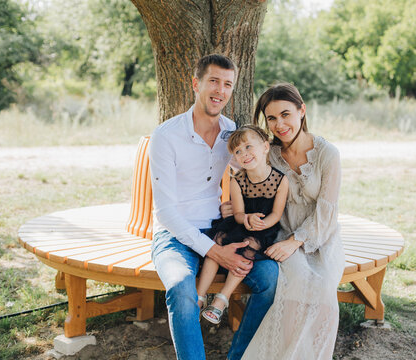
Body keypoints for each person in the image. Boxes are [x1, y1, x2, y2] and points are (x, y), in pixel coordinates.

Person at [148, 54, 278, 360]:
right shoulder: (166, 136)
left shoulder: (231, 134)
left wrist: (237, 209)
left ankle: (238, 357)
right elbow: (165, 212)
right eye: (213, 81)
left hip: (223, 230)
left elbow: (251, 171)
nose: (220, 90)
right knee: (181, 287)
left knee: (270, 278)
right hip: (175, 234)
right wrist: (213, 250)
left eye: (227, 84)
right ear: (196, 84)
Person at [241, 83, 346, 360]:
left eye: (286, 114)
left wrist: (296, 241)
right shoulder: (269, 154)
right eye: (272, 118)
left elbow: (327, 212)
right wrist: (234, 204)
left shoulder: (327, 154)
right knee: (295, 283)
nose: (279, 124)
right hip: (281, 234)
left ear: (302, 110)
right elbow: (245, 181)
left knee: (324, 291)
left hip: (320, 235)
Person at [197, 125, 289, 325]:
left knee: (249, 247)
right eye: (238, 152)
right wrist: (246, 218)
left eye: (248, 147)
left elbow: (276, 213)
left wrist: (262, 224)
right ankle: (199, 296)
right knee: (218, 243)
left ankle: (222, 299)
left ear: (265, 147)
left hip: (263, 229)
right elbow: (237, 213)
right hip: (239, 224)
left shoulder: (280, 180)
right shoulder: (237, 180)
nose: (244, 154)